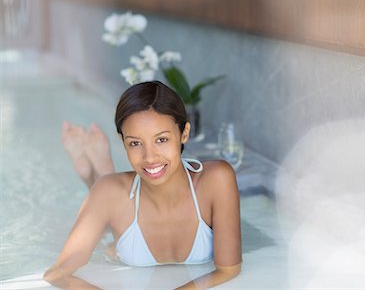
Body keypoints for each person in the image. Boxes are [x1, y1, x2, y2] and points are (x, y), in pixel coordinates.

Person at [44, 81, 242, 289]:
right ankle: (99, 171)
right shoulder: (108, 191)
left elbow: (228, 269)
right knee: (109, 213)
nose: (150, 157)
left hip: (121, 200)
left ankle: (98, 167)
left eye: (161, 140)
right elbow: (56, 274)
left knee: (110, 212)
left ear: (184, 133)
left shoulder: (217, 179)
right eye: (135, 143)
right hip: (117, 204)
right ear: (123, 142)